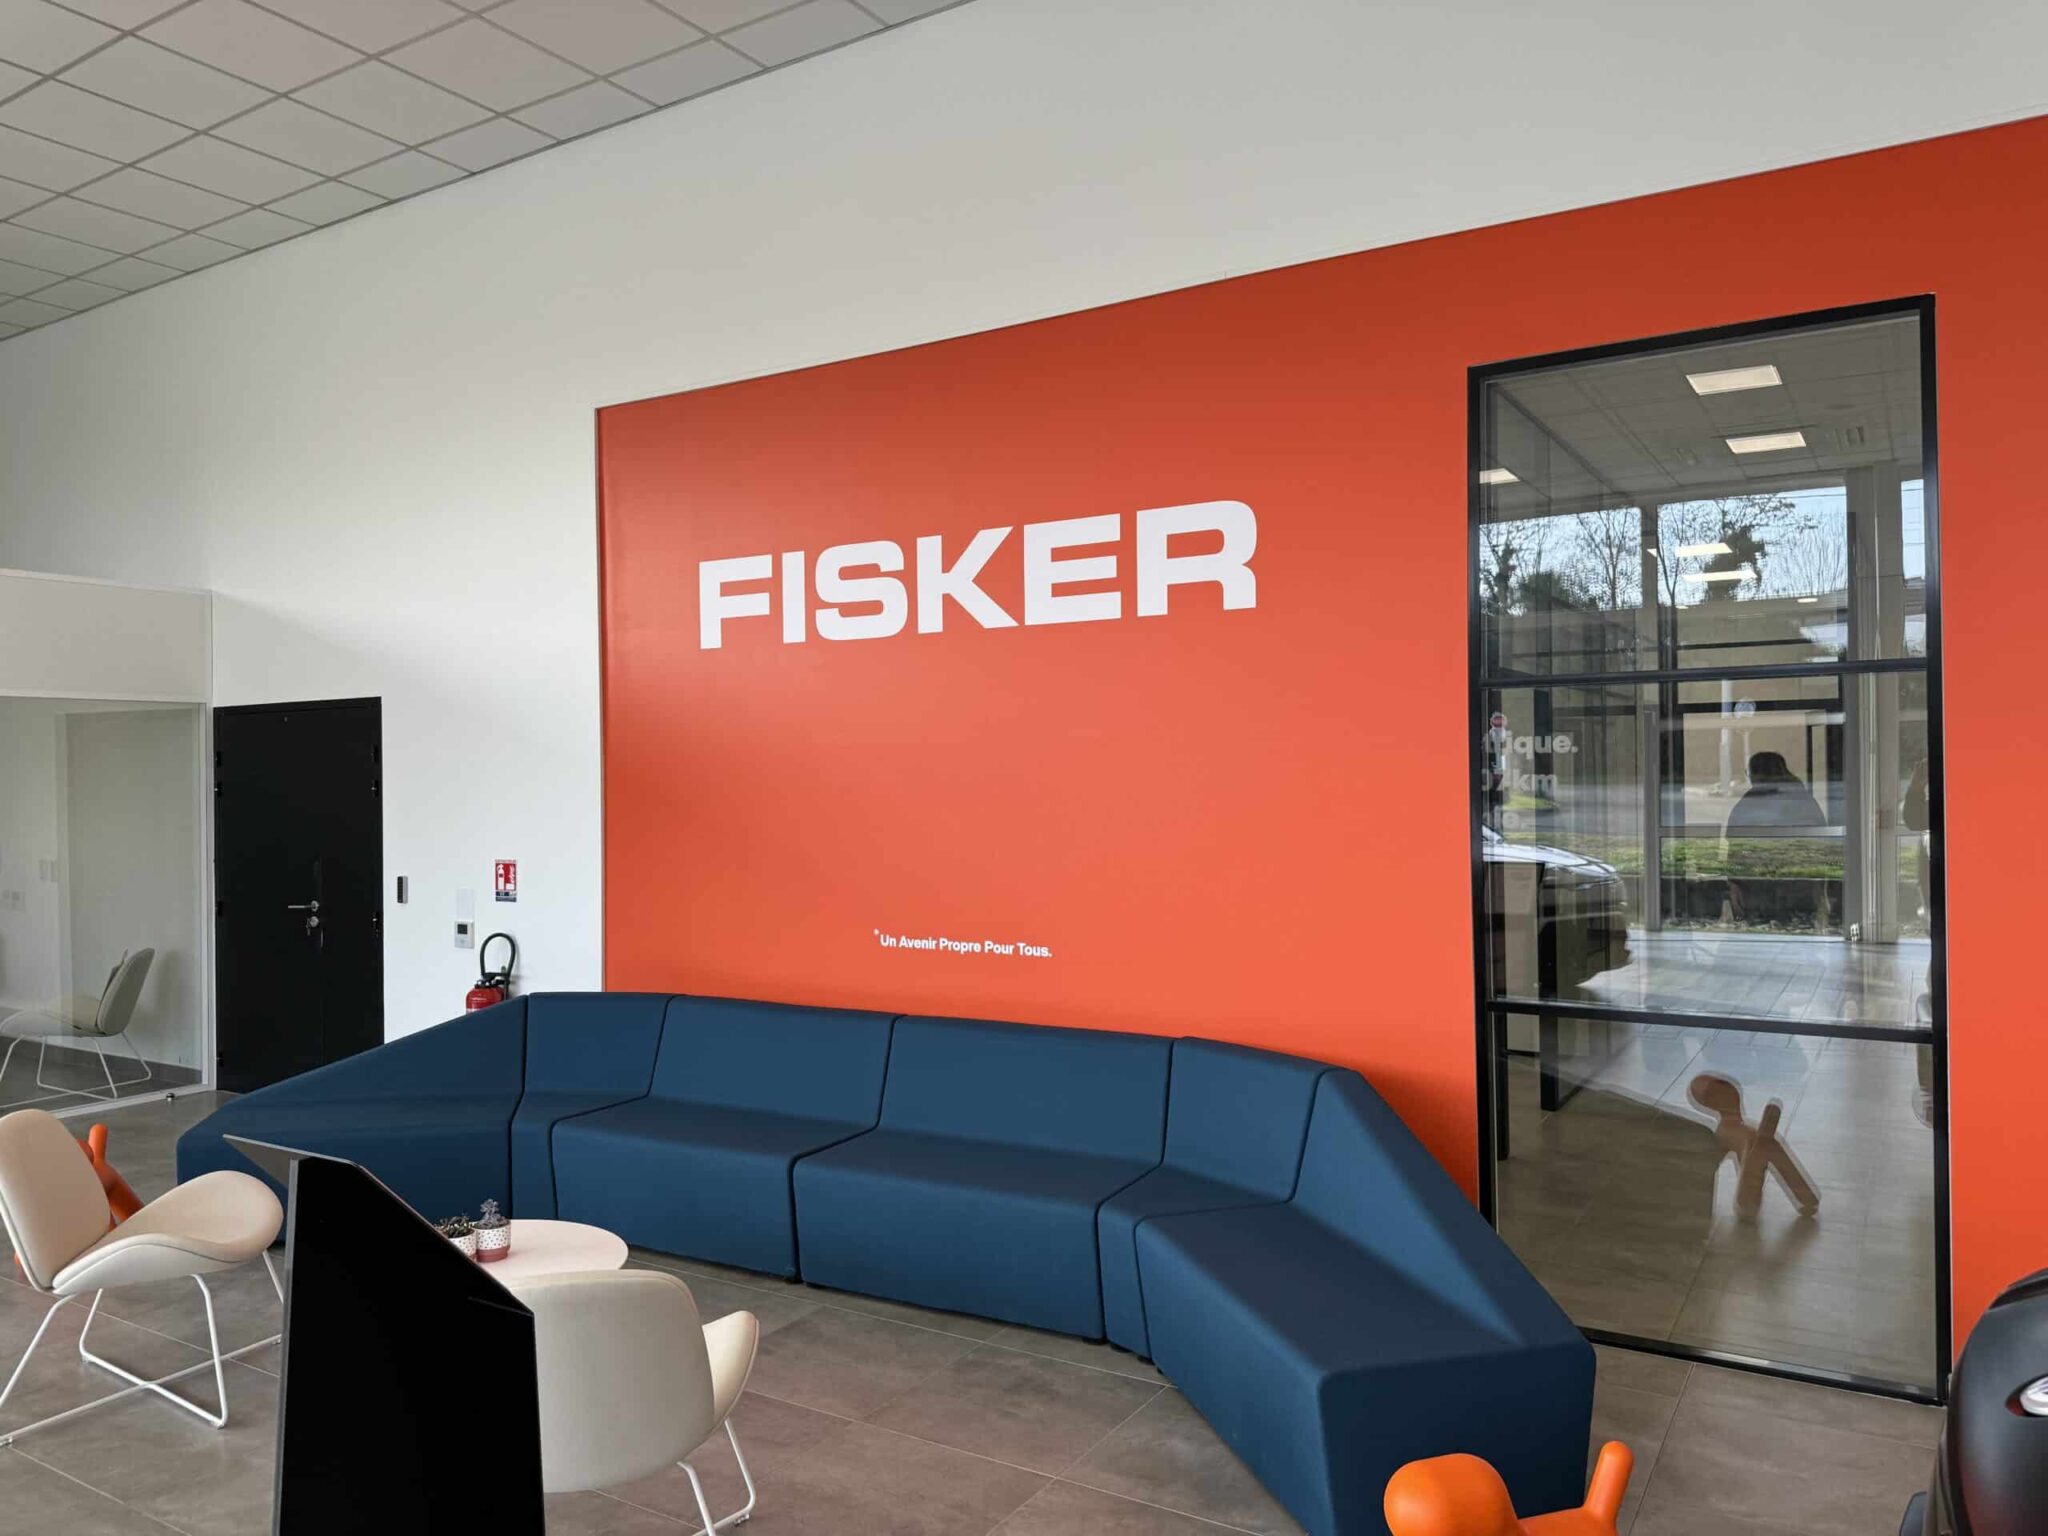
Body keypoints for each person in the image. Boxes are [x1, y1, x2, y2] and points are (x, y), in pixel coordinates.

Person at [1725, 751, 1825, 927]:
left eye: (1750, 773)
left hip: (1759, 890)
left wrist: (1734, 883)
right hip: (1800, 887)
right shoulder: (1804, 800)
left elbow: (1735, 847)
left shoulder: (1748, 804)